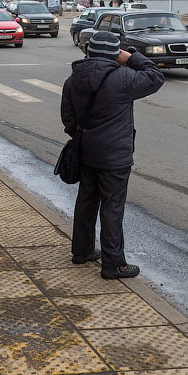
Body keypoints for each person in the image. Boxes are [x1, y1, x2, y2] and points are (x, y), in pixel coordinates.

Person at [60, 30, 164, 280]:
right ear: (115, 54)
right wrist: (132, 57)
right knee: (112, 207)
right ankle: (113, 264)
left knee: (86, 201)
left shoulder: (73, 80)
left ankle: (82, 251)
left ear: (88, 52)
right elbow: (156, 76)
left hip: (87, 152)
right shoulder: (125, 78)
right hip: (115, 157)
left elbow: (68, 120)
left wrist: (86, 137)